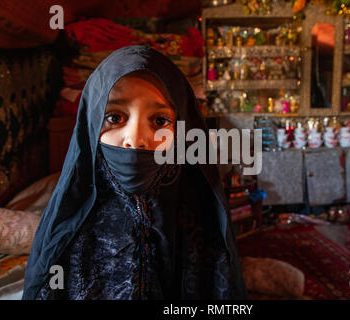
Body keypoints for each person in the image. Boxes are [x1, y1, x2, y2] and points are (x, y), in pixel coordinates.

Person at [22, 45, 248, 300]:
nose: (136, 139)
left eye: (160, 121)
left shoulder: (201, 221)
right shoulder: (65, 234)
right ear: (90, 124)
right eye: (114, 117)